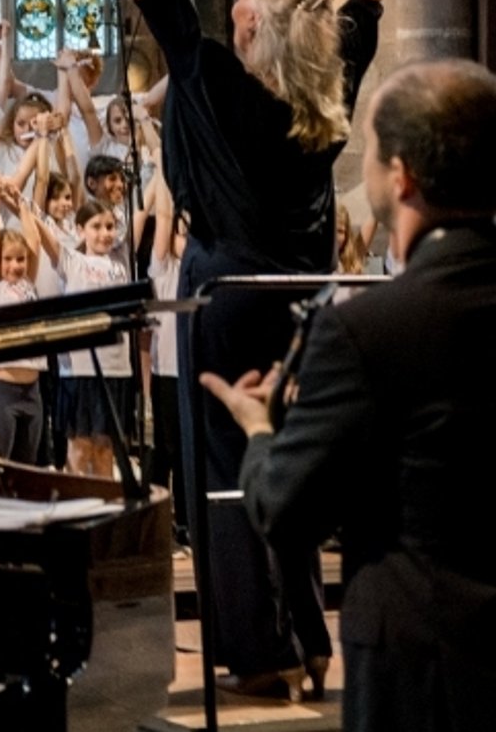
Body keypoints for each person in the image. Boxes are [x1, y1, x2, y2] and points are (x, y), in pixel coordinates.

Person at [100, 0, 448, 697]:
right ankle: (311, 639)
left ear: (253, 22)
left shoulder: (221, 82)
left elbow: (164, 6)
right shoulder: (325, 92)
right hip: (299, 300)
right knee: (283, 458)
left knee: (225, 475)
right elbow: (359, 15)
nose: (235, 6)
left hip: (224, 297)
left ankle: (260, 652)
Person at [201, 59, 496, 731]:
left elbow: (287, 508)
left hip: (423, 668)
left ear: (400, 176)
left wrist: (259, 430)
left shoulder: (366, 327)